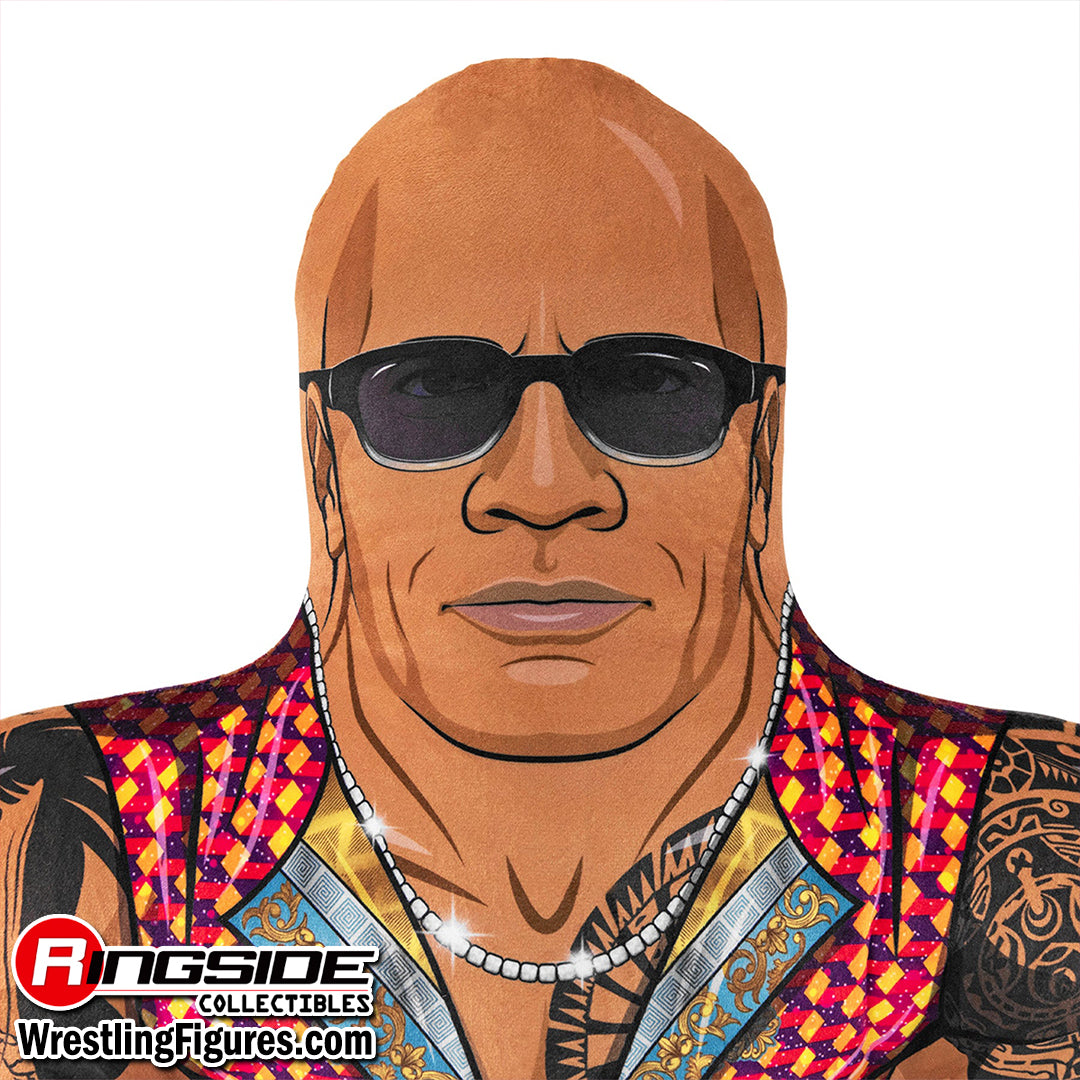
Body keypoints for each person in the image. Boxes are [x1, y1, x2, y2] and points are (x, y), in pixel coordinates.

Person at [1, 58, 1076, 1080]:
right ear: (323, 458)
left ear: (764, 448)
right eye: (433, 390)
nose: (546, 485)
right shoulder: (106, 816)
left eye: (651, 385)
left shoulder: (994, 832)